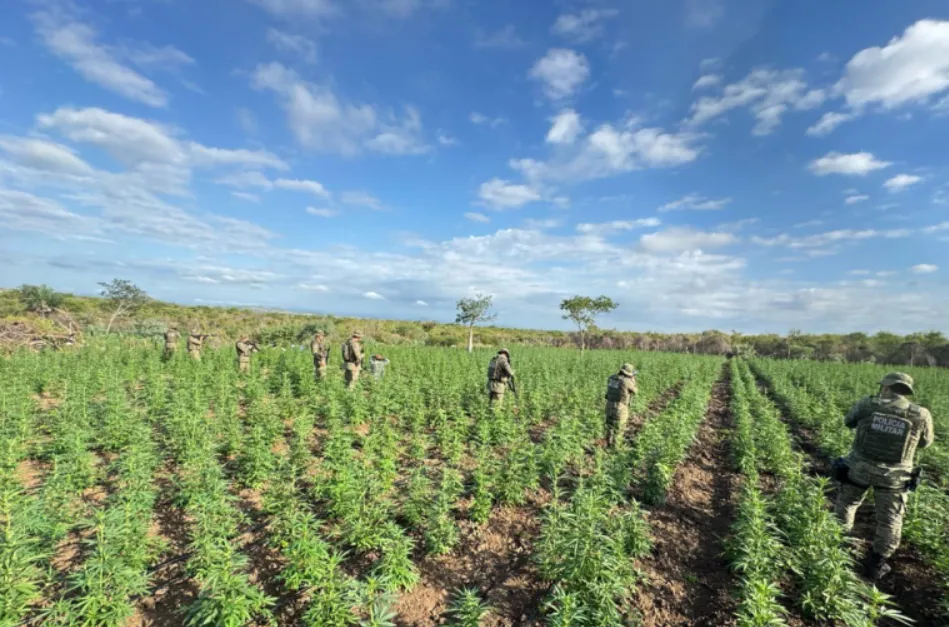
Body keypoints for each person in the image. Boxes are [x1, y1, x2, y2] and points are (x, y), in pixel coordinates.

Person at [833, 372, 934, 580]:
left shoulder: (867, 404)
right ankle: (877, 562)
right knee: (890, 519)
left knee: (848, 503)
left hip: (859, 468)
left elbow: (849, 421)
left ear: (886, 387)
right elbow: (925, 443)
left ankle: (838, 544)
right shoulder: (920, 414)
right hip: (895, 477)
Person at [604, 363, 638, 448]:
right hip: (620, 407)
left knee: (609, 426)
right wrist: (633, 380)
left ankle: (608, 443)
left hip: (609, 405)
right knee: (619, 429)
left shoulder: (611, 378)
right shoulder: (626, 381)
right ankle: (615, 448)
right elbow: (635, 391)